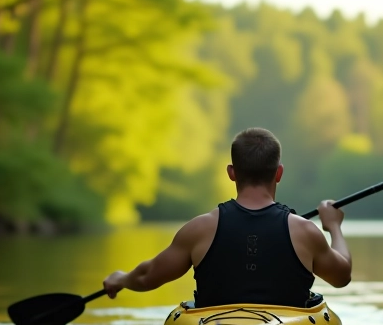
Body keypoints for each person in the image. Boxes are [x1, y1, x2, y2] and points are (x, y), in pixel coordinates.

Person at [101, 128, 352, 307]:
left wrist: (122, 278)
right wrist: (333, 227)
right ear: (279, 173)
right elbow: (342, 277)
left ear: (232, 173)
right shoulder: (305, 231)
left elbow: (148, 275)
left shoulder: (200, 228)